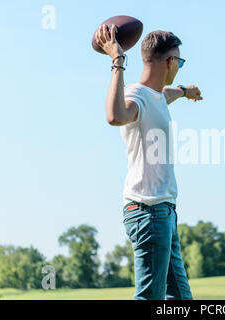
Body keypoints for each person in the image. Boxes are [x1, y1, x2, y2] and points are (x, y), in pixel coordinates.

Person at [94, 24, 203, 300]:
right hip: (148, 213)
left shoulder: (156, 97)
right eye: (179, 60)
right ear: (170, 61)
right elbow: (115, 116)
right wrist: (117, 60)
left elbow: (165, 94)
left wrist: (184, 89)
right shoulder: (135, 96)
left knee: (180, 301)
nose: (179, 65)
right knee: (150, 298)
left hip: (164, 213)